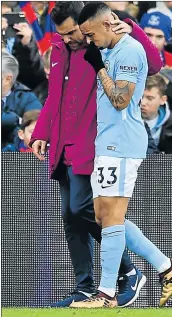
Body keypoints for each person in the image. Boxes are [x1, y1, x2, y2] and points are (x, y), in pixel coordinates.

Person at [29, 1, 163, 308]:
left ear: (86, 24)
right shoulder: (62, 50)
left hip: (95, 142)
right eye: (61, 35)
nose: (68, 40)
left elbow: (152, 65)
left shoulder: (107, 45)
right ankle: (85, 287)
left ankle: (129, 272)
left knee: (85, 210)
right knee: (71, 217)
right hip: (63, 143)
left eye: (72, 32)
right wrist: (42, 132)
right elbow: (55, 97)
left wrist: (133, 28)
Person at [70, 2, 172, 308]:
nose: (90, 42)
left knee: (110, 218)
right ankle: (166, 266)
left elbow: (121, 100)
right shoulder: (111, 48)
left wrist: (99, 68)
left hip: (121, 144)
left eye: (91, 34)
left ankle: (107, 294)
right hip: (108, 143)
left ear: (108, 25)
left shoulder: (129, 50)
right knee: (105, 216)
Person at [1, 51, 42, 150]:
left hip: (14, 157)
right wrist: (15, 120)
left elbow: (36, 131)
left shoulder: (28, 99)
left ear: (7, 79)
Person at [141, 74, 172, 149]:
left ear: (163, 100)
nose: (142, 103)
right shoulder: (124, 119)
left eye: (150, 98)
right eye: (140, 96)